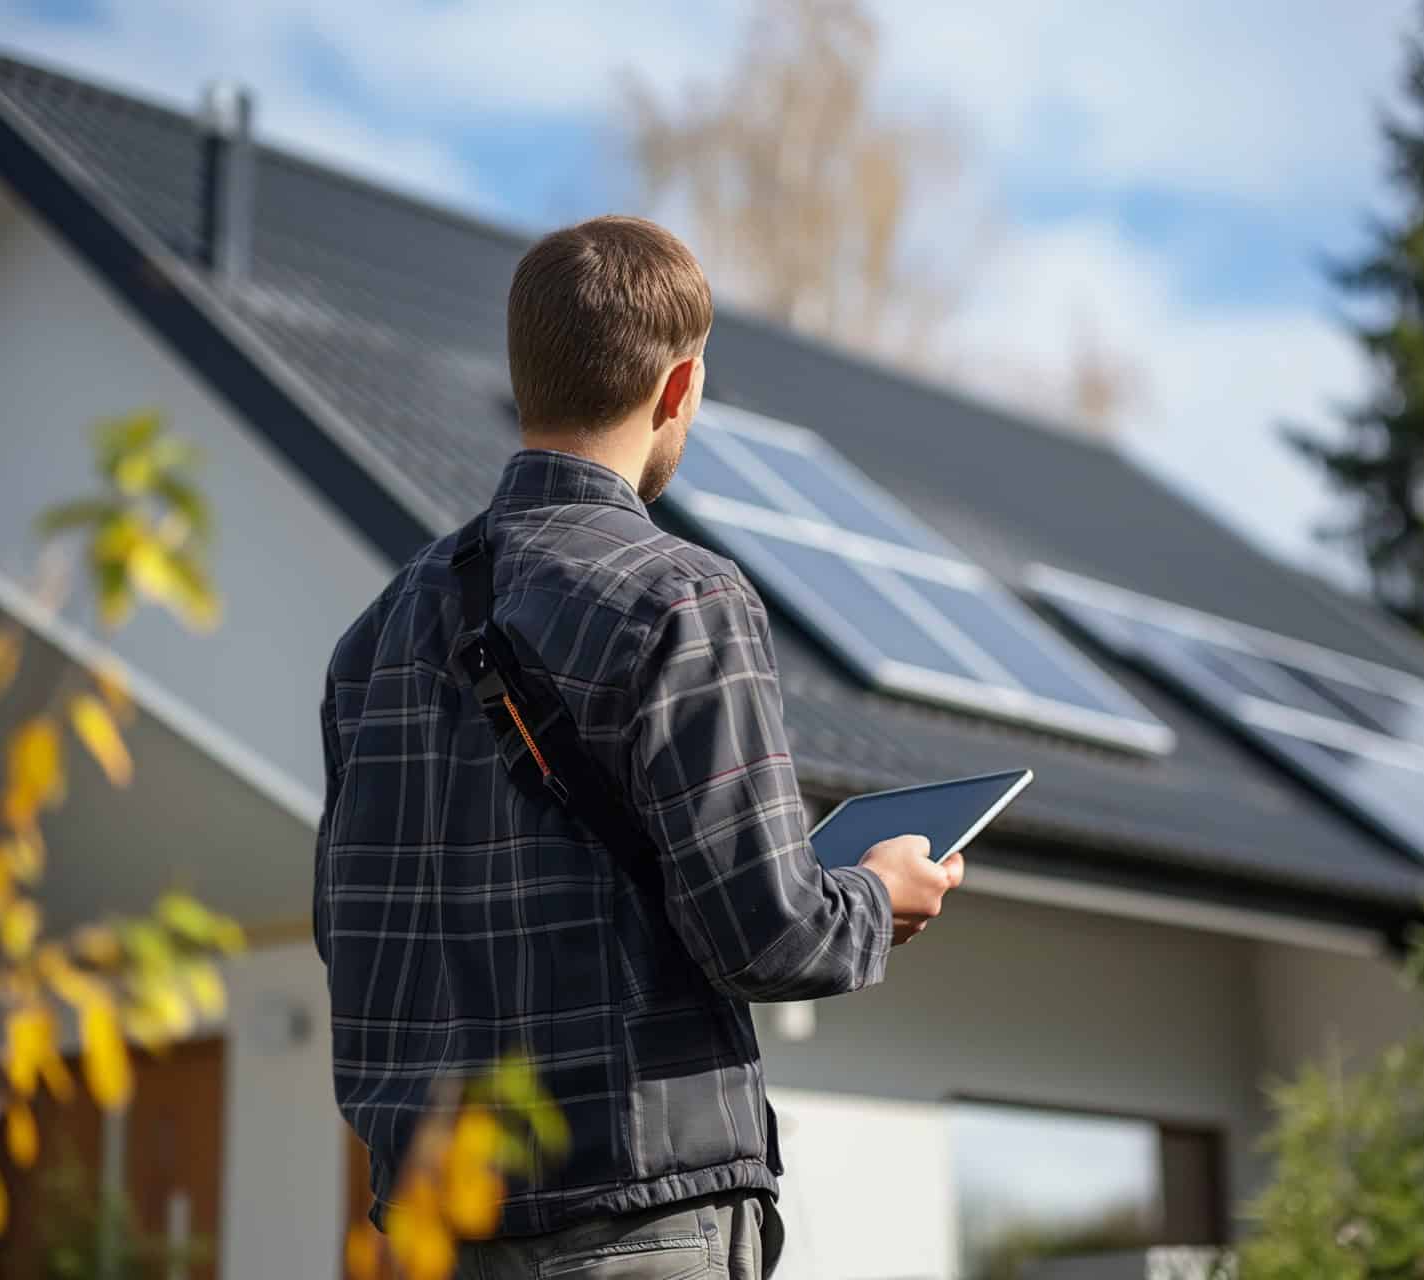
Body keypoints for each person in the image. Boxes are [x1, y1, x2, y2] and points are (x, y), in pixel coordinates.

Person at [314, 215, 963, 1278]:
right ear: (679, 389)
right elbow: (766, 934)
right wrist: (876, 897)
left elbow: (354, 936)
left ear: (525, 375)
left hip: (436, 1228)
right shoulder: (683, 595)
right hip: (634, 1214)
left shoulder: (375, 635)